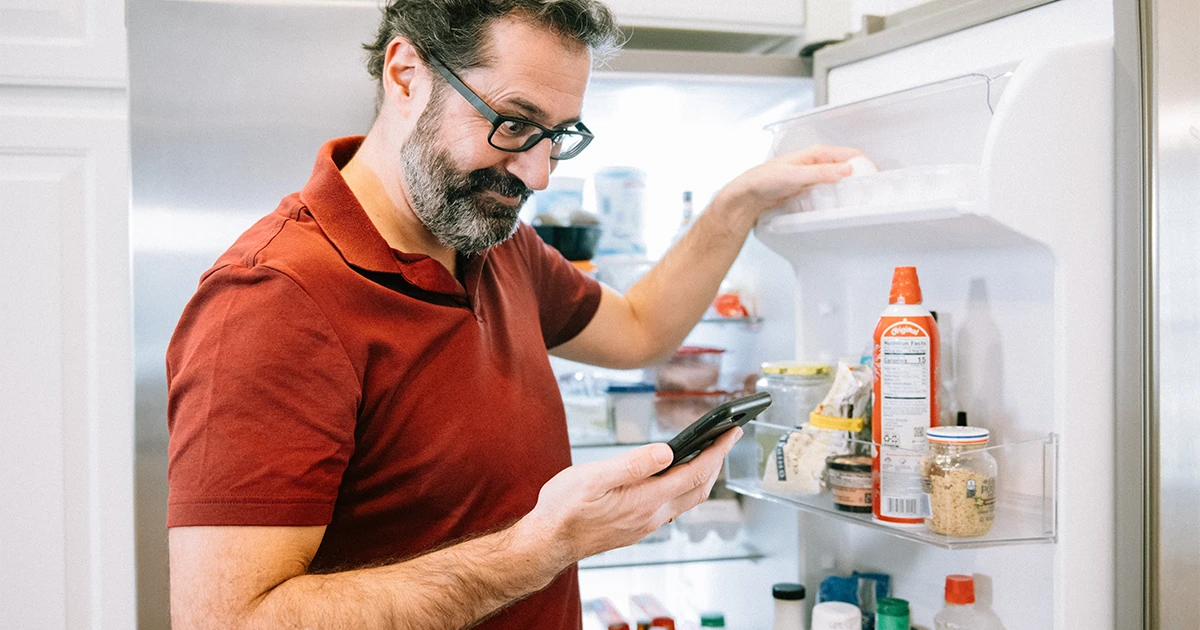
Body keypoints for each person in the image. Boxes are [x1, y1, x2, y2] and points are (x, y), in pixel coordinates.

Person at [165, 1, 863, 628]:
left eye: (560, 134)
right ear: (406, 74)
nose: (539, 174)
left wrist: (736, 204)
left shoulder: (495, 244)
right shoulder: (273, 301)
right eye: (514, 124)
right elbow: (228, 620)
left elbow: (642, 329)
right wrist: (546, 546)